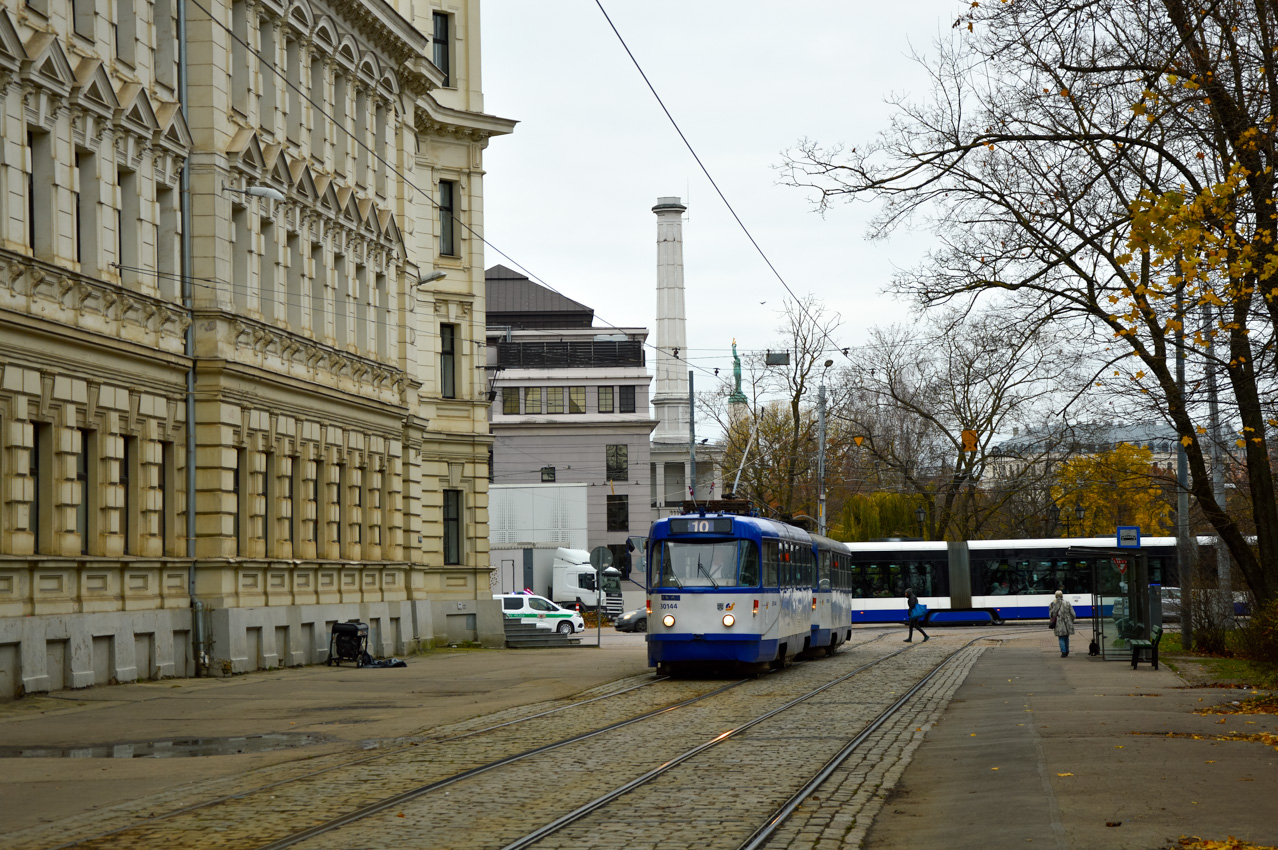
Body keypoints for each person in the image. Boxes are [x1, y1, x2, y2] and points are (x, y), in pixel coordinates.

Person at [1049, 590, 1076, 657]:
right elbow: (1073, 614)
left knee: (1061, 637)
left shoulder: (1052, 604)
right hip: (1067, 623)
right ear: (1062, 595)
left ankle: (1063, 652)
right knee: (1066, 637)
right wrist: (1070, 620)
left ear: (1055, 596)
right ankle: (1067, 650)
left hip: (1059, 623)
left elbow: (1051, 615)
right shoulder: (1067, 603)